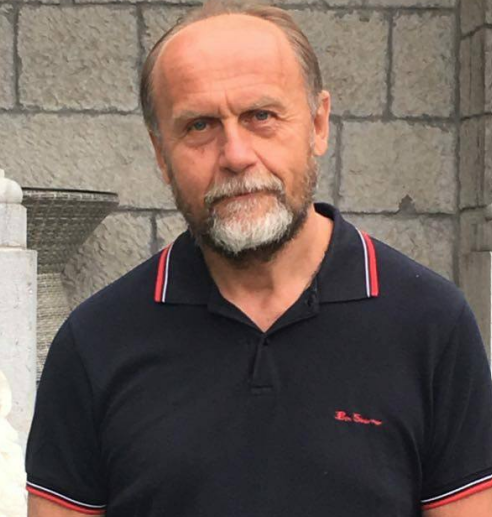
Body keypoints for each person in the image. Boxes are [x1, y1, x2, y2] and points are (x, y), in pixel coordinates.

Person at [25, 1, 492, 516]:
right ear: (161, 155)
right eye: (199, 126)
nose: (236, 155)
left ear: (318, 124)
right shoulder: (94, 343)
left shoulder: (431, 325)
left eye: (261, 116)